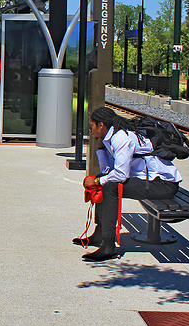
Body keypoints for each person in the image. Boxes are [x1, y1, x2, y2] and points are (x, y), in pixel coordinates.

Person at [75, 107, 182, 261]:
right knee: (105, 182)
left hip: (163, 184)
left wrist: (98, 181)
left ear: (101, 125)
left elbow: (121, 175)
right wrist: (100, 149)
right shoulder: (110, 138)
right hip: (149, 180)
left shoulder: (120, 138)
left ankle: (108, 245)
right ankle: (99, 234)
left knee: (110, 187)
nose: (90, 130)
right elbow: (108, 171)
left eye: (91, 126)